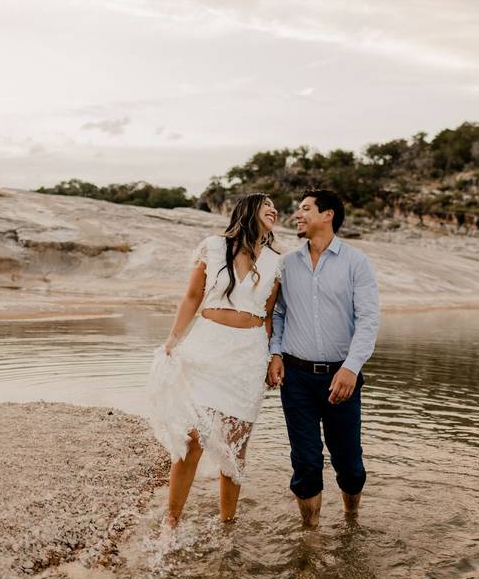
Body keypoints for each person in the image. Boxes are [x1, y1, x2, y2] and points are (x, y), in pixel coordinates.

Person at [144, 193, 282, 527]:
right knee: (194, 437)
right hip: (208, 347)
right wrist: (173, 339)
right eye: (267, 206)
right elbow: (192, 296)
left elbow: (267, 314)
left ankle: (227, 523)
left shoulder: (275, 261)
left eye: (275, 207)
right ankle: (172, 519)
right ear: (249, 211)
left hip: (248, 354)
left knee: (236, 446)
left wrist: (269, 358)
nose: (274, 210)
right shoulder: (214, 246)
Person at [267, 189, 380, 528]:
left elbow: (369, 321)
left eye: (305, 209)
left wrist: (351, 368)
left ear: (328, 214)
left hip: (341, 376)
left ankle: (351, 520)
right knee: (305, 462)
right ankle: (310, 537)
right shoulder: (287, 264)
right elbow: (280, 314)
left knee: (349, 463)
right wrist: (275, 353)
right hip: (296, 377)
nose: (297, 215)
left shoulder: (356, 262)